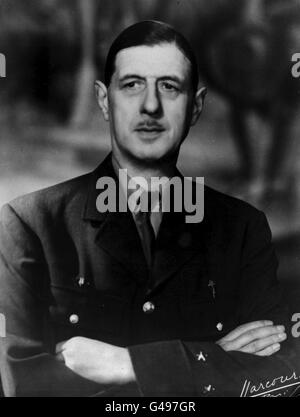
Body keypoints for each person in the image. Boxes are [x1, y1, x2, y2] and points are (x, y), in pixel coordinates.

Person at [0, 20, 299, 397]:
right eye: (132, 85)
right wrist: (208, 361)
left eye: (169, 87)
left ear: (196, 106)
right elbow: (25, 387)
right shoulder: (28, 225)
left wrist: (126, 364)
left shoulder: (242, 229)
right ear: (105, 100)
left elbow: (281, 381)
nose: (151, 105)